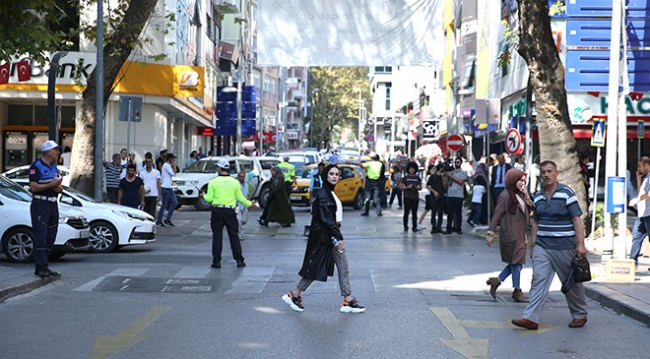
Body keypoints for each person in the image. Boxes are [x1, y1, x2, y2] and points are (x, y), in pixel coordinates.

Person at [512, 160, 588, 330]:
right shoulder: (538, 196)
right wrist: (533, 246)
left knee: (572, 283)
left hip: (565, 246)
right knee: (538, 280)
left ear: (556, 174)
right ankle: (531, 318)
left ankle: (580, 314)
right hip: (543, 246)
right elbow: (536, 223)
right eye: (543, 172)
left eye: (549, 171)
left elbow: (576, 219)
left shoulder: (566, 193)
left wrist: (581, 244)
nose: (546, 175)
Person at [282, 164, 366, 314]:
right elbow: (326, 219)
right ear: (326, 176)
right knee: (326, 267)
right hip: (329, 235)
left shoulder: (329, 192)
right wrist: (337, 237)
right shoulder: (323, 194)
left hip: (330, 234)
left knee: (334, 267)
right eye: (332, 174)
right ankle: (295, 294)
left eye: (337, 174)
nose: (335, 176)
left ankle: (296, 294)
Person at [485, 168, 533, 302]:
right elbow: (497, 215)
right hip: (511, 234)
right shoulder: (506, 195)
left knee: (515, 263)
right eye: (520, 180)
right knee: (517, 262)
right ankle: (517, 291)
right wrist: (490, 233)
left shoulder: (520, 194)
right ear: (513, 180)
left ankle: (498, 281)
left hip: (520, 233)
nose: (522, 183)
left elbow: (531, 209)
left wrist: (526, 194)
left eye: (523, 181)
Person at [202, 159, 256, 268]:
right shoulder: (235, 182)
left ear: (219, 168)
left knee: (217, 236)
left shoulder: (213, 182)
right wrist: (250, 204)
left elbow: (209, 199)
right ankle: (239, 260)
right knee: (234, 236)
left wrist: (203, 195)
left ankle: (216, 261)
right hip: (230, 211)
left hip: (217, 211)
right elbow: (241, 198)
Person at [29, 140, 64, 278]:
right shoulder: (36, 166)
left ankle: (44, 265)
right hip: (40, 204)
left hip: (52, 204)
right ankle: (41, 266)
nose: (58, 152)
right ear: (49, 152)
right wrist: (51, 184)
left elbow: (58, 187)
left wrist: (56, 186)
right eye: (56, 150)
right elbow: (33, 187)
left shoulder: (54, 167)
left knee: (51, 236)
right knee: (41, 236)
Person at [628, 156, 650, 267]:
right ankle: (632, 262)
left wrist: (637, 199)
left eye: (640, 166)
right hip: (642, 214)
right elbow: (642, 191)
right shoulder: (646, 178)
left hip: (649, 214)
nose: (639, 168)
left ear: (647, 165)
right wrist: (638, 178)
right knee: (636, 237)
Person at [444, 157, 467, 235]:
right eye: (455, 162)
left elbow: (460, 181)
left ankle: (458, 228)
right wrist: (446, 175)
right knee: (449, 213)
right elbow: (445, 184)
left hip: (459, 195)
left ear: (460, 163)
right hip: (450, 194)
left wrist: (451, 176)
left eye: (458, 162)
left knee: (458, 213)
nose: (456, 164)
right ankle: (448, 228)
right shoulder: (451, 172)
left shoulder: (463, 172)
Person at [359, 152, 385, 217]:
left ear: (372, 158)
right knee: (376, 198)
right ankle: (379, 212)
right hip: (377, 182)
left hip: (369, 182)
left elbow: (361, 165)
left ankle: (366, 211)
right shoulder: (380, 164)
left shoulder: (369, 163)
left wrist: (350, 163)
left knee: (367, 197)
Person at [156, 153, 178, 227]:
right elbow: (174, 173)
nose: (174, 160)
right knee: (164, 205)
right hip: (165, 187)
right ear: (170, 159)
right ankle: (159, 220)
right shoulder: (166, 165)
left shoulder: (168, 166)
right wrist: (174, 165)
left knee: (175, 202)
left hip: (169, 187)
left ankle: (167, 219)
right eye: (173, 159)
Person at [400, 161, 423, 234]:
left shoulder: (417, 178)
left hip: (415, 197)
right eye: (410, 168)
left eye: (413, 168)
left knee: (414, 213)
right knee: (406, 213)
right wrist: (407, 187)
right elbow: (401, 187)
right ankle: (405, 227)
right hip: (407, 197)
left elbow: (420, 187)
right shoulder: (405, 178)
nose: (412, 170)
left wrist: (416, 188)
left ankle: (414, 227)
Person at [427, 163, 447, 233]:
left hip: (441, 195)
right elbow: (428, 185)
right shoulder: (433, 177)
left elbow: (445, 186)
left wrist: (443, 178)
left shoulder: (444, 177)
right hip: (434, 196)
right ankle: (434, 226)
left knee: (440, 212)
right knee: (434, 212)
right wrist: (434, 192)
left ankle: (439, 226)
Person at [236, 171, 251, 241]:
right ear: (238, 177)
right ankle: (240, 235)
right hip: (238, 205)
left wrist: (249, 202)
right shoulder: (236, 184)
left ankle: (235, 226)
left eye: (243, 177)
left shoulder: (246, 184)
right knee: (239, 221)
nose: (242, 178)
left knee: (244, 220)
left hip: (245, 205)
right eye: (240, 177)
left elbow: (247, 194)